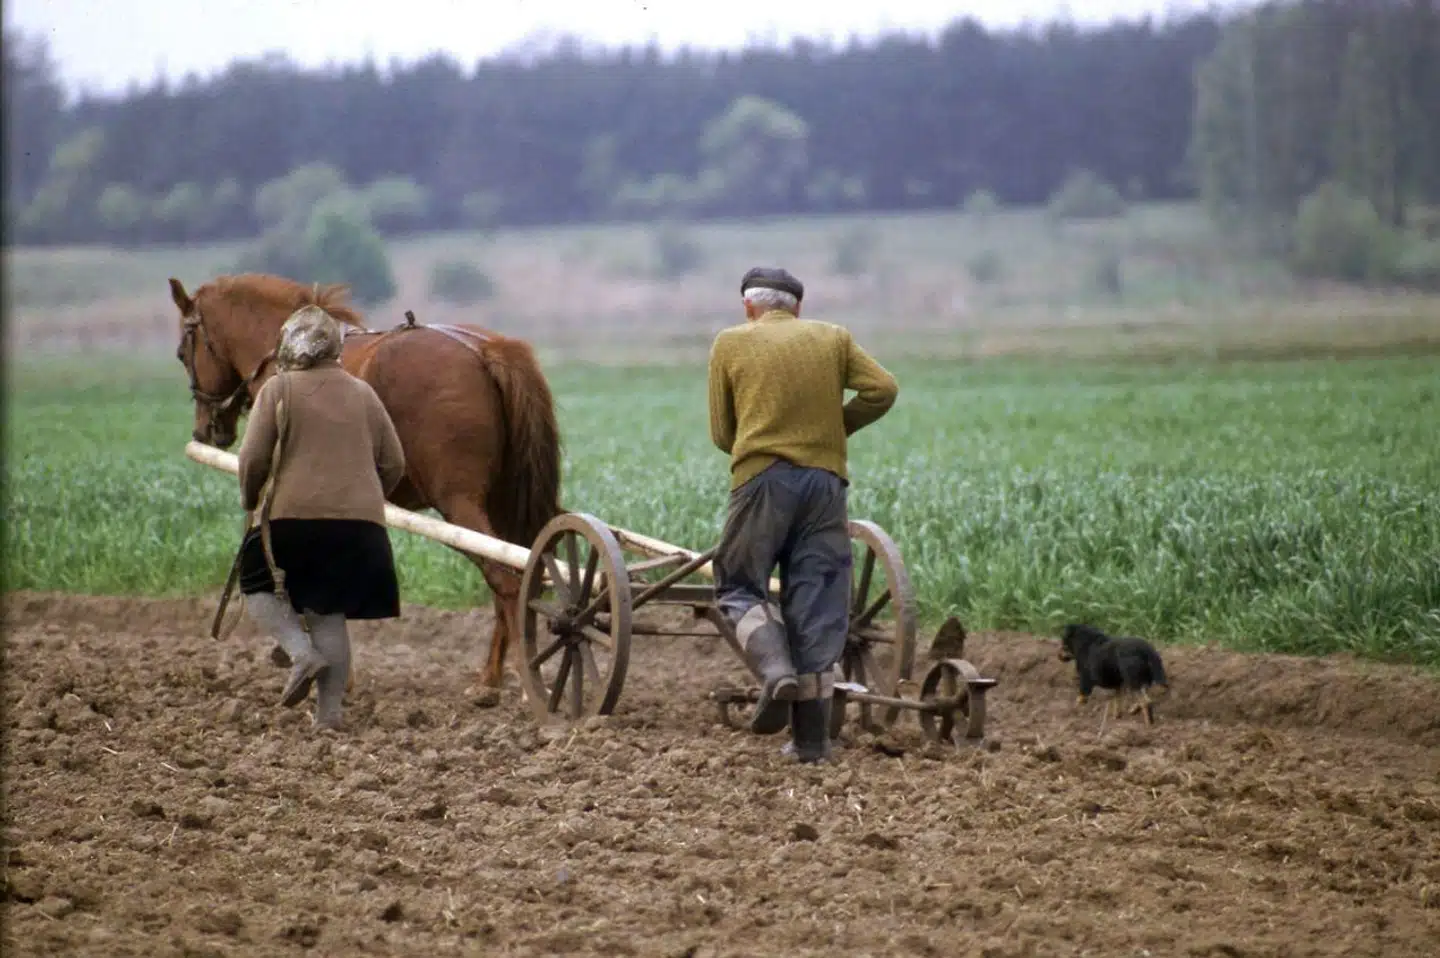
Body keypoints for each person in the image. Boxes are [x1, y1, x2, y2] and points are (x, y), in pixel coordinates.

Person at [707, 266, 899, 763]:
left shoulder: (730, 343)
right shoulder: (833, 338)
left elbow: (723, 434)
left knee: (737, 585)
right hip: (826, 484)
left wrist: (762, 441)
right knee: (815, 603)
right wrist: (834, 430)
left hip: (763, 480)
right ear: (797, 308)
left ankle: (774, 672)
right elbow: (883, 389)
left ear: (749, 308)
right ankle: (812, 744)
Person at [235, 304, 406, 731]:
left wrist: (250, 498)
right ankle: (329, 715)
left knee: (255, 584)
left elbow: (253, 459)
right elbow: (395, 462)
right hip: (360, 529)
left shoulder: (278, 390)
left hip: (292, 520)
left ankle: (299, 651)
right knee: (327, 611)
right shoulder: (363, 393)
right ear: (334, 348)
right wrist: (363, 500)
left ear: (287, 346)